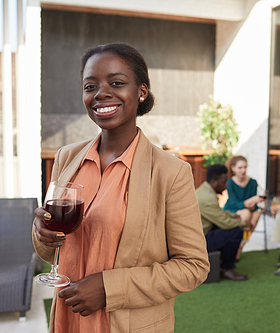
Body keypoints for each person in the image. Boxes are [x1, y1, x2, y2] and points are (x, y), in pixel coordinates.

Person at [32, 43, 209, 332]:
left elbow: (193, 266)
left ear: (141, 91)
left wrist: (109, 288)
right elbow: (54, 250)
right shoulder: (66, 157)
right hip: (68, 320)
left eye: (116, 83)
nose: (101, 93)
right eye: (90, 86)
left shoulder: (172, 172)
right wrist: (42, 235)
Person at [196, 164, 251, 281]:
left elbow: (218, 213)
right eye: (223, 182)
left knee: (226, 228)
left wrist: (233, 215)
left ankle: (220, 263)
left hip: (199, 235)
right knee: (236, 231)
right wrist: (243, 223)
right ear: (214, 182)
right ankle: (226, 269)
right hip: (199, 242)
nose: (225, 186)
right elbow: (225, 223)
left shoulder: (204, 190)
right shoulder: (208, 198)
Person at [223, 155, 265, 260]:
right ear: (233, 168)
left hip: (247, 210)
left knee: (256, 213)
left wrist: (252, 205)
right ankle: (236, 246)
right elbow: (234, 203)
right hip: (232, 209)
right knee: (246, 213)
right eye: (240, 168)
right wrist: (250, 202)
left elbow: (254, 206)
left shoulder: (252, 182)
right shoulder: (230, 183)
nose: (243, 170)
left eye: (245, 167)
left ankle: (240, 246)